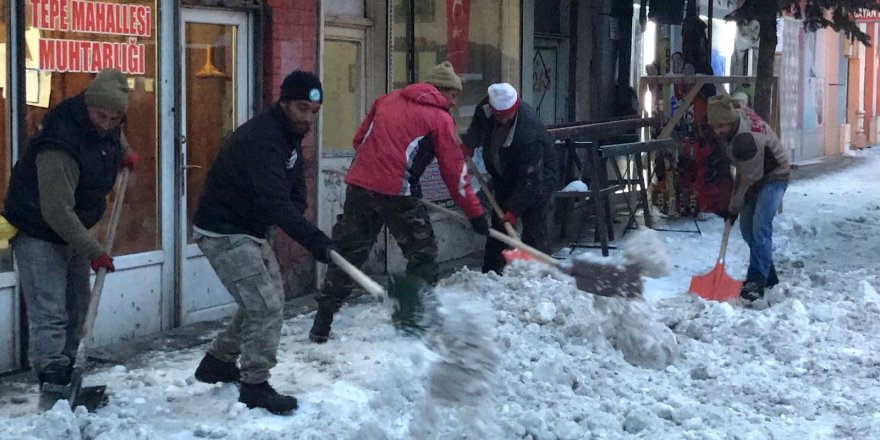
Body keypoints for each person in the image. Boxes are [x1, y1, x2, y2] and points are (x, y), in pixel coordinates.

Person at [309, 61, 489, 343]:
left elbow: (359, 140)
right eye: (454, 95)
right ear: (441, 90)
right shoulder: (440, 119)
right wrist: (475, 214)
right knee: (422, 254)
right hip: (399, 193)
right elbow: (454, 172)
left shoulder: (386, 100)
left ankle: (322, 322)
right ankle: (414, 322)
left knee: (348, 253)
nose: (455, 103)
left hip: (360, 186)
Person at [190, 71, 334, 415]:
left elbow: (292, 189)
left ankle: (218, 361)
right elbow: (274, 201)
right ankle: (255, 386)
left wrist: (296, 210)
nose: (308, 117)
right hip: (224, 231)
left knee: (266, 301)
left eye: (314, 110)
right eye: (302, 108)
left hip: (251, 229)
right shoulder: (263, 138)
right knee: (264, 307)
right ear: (284, 103)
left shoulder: (289, 135)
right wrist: (315, 240)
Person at [3, 69, 137, 405]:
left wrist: (126, 151)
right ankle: (52, 383)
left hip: (73, 225)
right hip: (38, 227)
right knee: (50, 312)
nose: (107, 122)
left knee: (77, 306)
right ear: (87, 106)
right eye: (101, 115)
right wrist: (94, 250)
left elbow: (114, 136)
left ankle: (69, 379)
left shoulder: (107, 124)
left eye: (114, 117)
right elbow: (56, 211)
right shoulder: (60, 142)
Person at [461, 83, 558, 274]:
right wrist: (470, 143)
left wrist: (514, 210)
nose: (502, 119)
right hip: (504, 174)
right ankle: (492, 272)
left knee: (534, 225)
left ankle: (541, 275)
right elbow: (479, 124)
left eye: (507, 115)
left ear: (515, 107)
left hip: (538, 178)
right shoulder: (487, 108)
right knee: (499, 225)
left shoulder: (529, 133)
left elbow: (530, 181)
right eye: (498, 114)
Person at [706, 95, 790, 301]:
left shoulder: (745, 142)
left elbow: (746, 181)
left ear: (731, 121)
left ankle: (756, 281)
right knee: (746, 230)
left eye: (722, 126)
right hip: (755, 174)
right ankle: (768, 273)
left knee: (760, 227)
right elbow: (741, 99)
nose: (718, 131)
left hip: (774, 175)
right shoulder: (735, 114)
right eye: (714, 127)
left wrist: (732, 209)